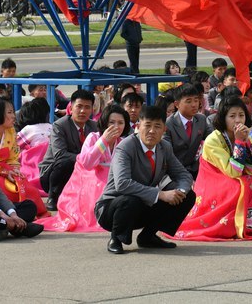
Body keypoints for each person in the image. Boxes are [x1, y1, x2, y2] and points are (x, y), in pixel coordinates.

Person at [177, 95, 252, 241]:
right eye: (232, 116)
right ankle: (233, 225)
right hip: (214, 182)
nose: (238, 120)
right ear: (223, 118)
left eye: (241, 115)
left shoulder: (246, 136)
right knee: (238, 186)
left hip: (231, 177)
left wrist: (246, 142)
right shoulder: (213, 139)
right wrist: (239, 141)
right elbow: (233, 171)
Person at [96, 105, 196, 254]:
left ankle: (148, 237)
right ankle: (115, 238)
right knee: (129, 200)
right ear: (137, 126)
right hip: (112, 207)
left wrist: (180, 192)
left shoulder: (164, 147)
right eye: (147, 125)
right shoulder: (126, 147)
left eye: (157, 127)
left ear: (164, 130)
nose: (151, 131)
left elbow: (183, 175)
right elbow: (122, 184)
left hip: (143, 203)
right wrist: (160, 194)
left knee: (187, 196)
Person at [42, 106, 128, 233]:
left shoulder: (124, 142)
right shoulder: (93, 137)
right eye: (112, 122)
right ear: (104, 123)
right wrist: (104, 141)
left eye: (120, 123)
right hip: (93, 180)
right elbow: (87, 163)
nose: (116, 126)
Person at [0, 97, 49, 216]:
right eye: (9, 112)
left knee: (29, 189)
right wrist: (1, 171)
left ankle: (33, 213)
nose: (14, 116)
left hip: (7, 170)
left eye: (13, 112)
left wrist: (15, 171)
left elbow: (13, 157)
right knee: (1, 187)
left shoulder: (11, 131)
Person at [40, 88, 99, 210]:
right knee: (65, 161)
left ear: (92, 110)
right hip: (53, 173)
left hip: (80, 170)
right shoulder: (59, 125)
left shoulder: (94, 126)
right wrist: (86, 158)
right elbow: (60, 155)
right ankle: (53, 198)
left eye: (87, 107)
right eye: (79, 106)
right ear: (71, 109)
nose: (83, 111)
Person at [165, 83, 208, 177]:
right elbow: (168, 155)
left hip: (198, 168)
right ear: (176, 104)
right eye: (188, 101)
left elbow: (213, 138)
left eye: (196, 100)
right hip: (174, 172)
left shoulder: (201, 119)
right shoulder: (168, 124)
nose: (194, 105)